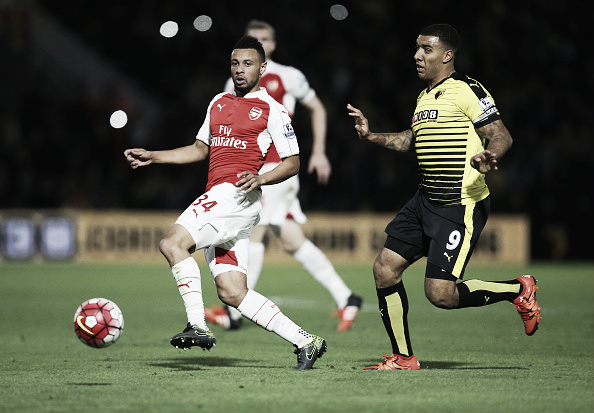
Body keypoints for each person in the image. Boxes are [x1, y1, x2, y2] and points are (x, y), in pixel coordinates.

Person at [124, 35, 327, 370]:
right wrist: (154, 157)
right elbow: (199, 149)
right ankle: (306, 341)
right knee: (233, 292)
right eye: (234, 63)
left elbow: (293, 161)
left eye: (247, 63)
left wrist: (261, 178)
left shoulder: (272, 110)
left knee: (172, 243)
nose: (239, 70)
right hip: (230, 205)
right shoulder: (218, 102)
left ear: (262, 67)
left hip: (233, 195)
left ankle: (197, 325)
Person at [347, 24, 541, 370]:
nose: (417, 55)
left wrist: (490, 155)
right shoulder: (424, 97)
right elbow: (411, 140)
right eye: (417, 48)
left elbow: (500, 134)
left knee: (440, 295)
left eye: (426, 49)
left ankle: (518, 290)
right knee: (384, 269)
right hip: (425, 200)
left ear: (447, 55)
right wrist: (371, 135)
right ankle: (404, 358)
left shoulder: (467, 89)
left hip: (459, 203)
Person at [205, 20, 362, 332]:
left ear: (272, 46)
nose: (258, 43)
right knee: (290, 239)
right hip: (252, 167)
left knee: (255, 231)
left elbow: (317, 108)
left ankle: (235, 312)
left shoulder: (289, 76)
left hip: (276, 169)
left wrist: (318, 151)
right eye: (253, 39)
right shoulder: (232, 81)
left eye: (264, 39)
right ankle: (347, 297)